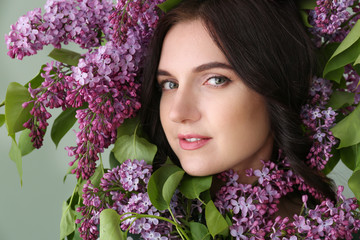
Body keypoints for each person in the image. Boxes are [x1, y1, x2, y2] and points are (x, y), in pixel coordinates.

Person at [140, 0, 336, 218]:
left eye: (215, 80)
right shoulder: (135, 225)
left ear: (279, 83)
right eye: (170, 84)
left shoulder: (337, 227)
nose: (177, 113)